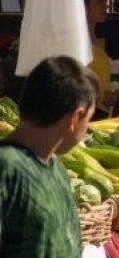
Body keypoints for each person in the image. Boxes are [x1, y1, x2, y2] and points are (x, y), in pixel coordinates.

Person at [0, 56, 97, 258]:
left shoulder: (58, 171)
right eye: (88, 119)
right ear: (75, 117)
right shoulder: (7, 167)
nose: (86, 130)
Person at [82, 0, 119, 116]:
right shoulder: (78, 44)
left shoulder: (98, 42)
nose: (106, 5)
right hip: (86, 114)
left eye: (106, 1)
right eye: (99, 1)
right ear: (84, 6)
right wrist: (103, 97)